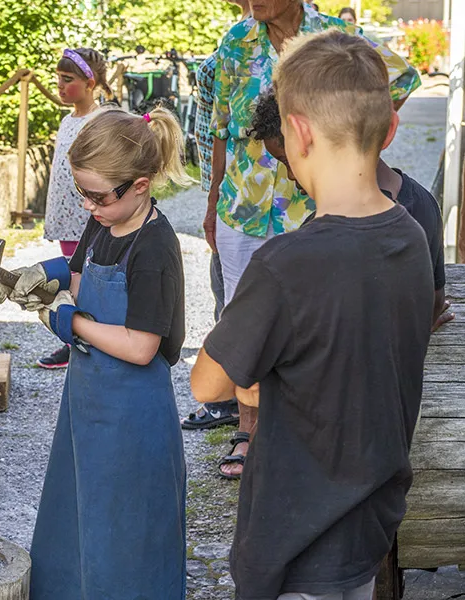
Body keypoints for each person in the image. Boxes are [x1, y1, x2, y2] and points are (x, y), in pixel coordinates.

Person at [191, 30, 434, 599]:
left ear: (296, 132)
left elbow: (208, 382)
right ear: (390, 129)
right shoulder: (412, 233)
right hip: (368, 528)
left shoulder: (285, 263)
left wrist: (252, 387)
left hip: (293, 542)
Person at [205, 0, 421, 478]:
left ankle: (299, 434)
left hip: (312, 205)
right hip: (244, 204)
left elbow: (403, 77)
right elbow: (220, 127)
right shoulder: (235, 42)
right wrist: (212, 199)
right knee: (244, 317)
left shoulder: (333, 38)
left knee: (317, 324)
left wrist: (359, 139)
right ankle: (248, 434)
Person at [1, 107, 190, 599]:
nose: (88, 206)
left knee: (126, 532)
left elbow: (142, 346)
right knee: (78, 519)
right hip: (87, 403)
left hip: (132, 414)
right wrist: (55, 274)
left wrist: (73, 323)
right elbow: (87, 276)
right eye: (81, 193)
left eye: (98, 196)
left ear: (141, 185)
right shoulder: (105, 220)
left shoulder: (155, 247)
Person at [250, 90, 454, 331]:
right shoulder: (424, 202)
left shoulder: (321, 234)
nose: (291, 176)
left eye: (288, 161)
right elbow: (434, 302)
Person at [183, 0, 250, 430]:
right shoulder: (236, 41)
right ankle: (231, 402)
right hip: (230, 198)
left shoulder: (242, 44)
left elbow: (213, 133)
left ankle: (233, 405)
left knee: (234, 305)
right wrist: (214, 202)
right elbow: (213, 135)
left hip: (252, 200)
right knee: (227, 300)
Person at [29, 48, 108, 370]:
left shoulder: (100, 120)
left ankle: (90, 335)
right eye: (58, 79)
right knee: (72, 275)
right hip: (66, 217)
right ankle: (72, 338)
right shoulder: (67, 119)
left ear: (90, 82)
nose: (60, 86)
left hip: (88, 217)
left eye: (68, 80)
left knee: (87, 276)